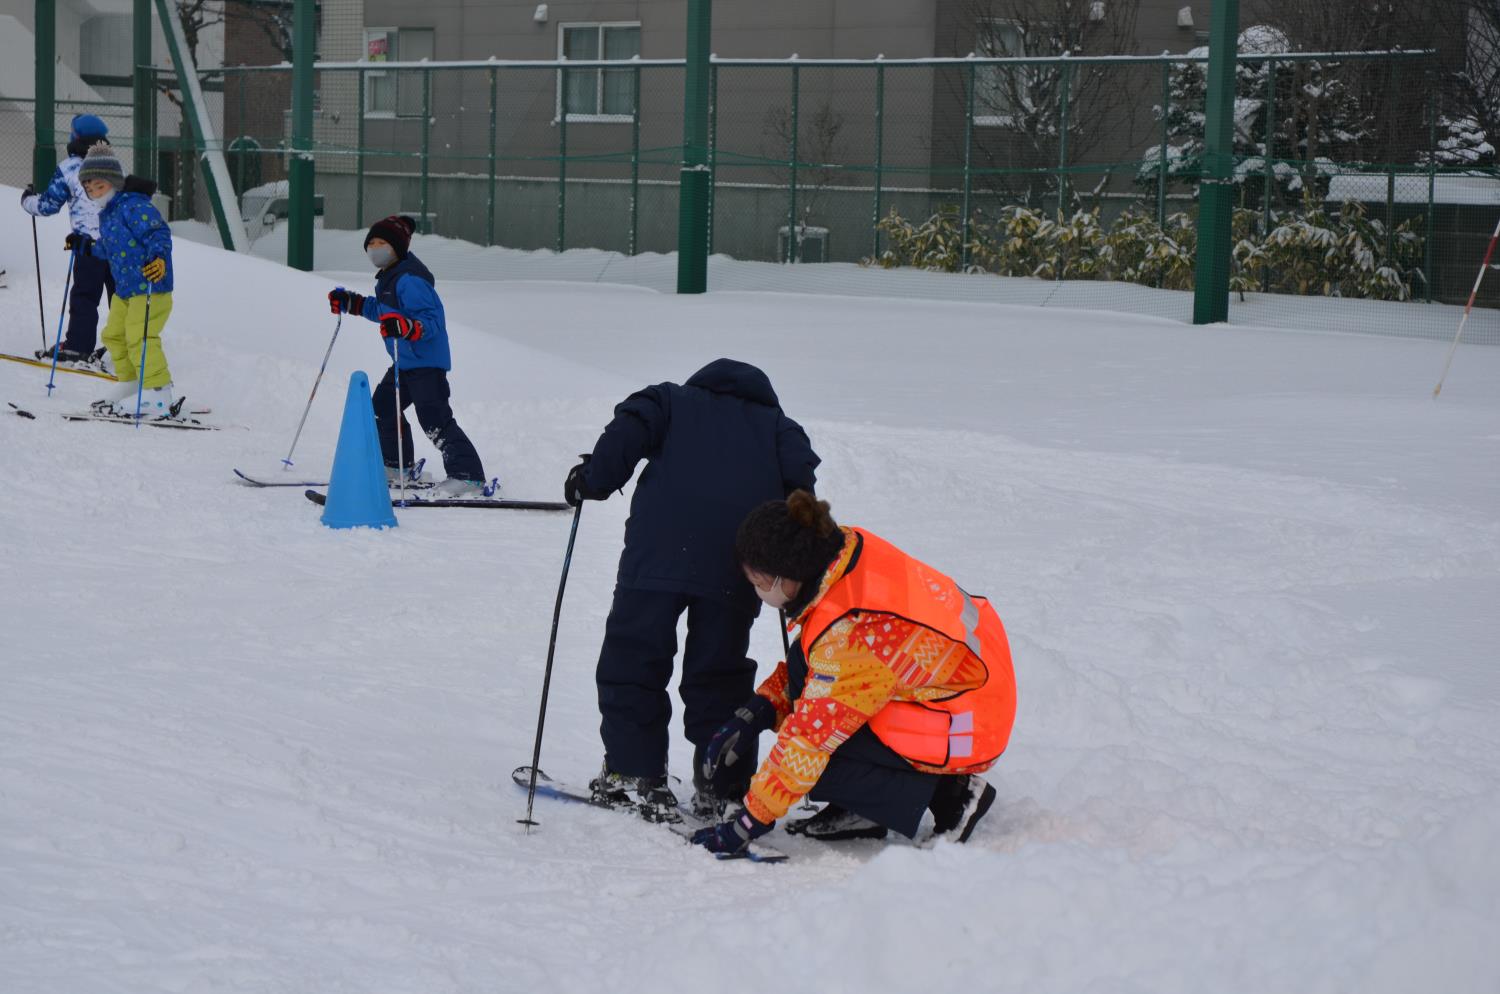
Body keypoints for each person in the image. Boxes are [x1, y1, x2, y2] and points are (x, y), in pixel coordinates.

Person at [692, 490, 1018, 855]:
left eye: (759, 582)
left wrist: (749, 822)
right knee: (809, 680)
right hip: (967, 678)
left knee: (818, 749)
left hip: (967, 722)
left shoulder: (855, 635)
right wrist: (757, 711)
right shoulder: (840, 551)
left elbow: (809, 739)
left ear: (789, 578)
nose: (756, 591)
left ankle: (953, 797)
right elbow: (814, 660)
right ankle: (867, 810)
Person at [563, 358, 820, 820]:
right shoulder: (779, 428)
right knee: (719, 673)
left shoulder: (669, 400)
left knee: (634, 656)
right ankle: (722, 787)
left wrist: (592, 480)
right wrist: (796, 573)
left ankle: (634, 771)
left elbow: (629, 427)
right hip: (739, 564)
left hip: (657, 554)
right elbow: (800, 489)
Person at [328, 215, 487, 497]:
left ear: (397, 247)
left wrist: (410, 327)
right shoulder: (390, 278)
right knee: (382, 407)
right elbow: (383, 311)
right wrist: (353, 303)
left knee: (434, 418)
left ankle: (468, 475)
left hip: (426, 363)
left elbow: (432, 320)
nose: (375, 249)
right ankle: (396, 465)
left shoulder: (410, 280)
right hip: (405, 362)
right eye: (371, 244)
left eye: (382, 243)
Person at [65, 142, 179, 418]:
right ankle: (131, 383)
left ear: (113, 182)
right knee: (114, 335)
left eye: (99, 187)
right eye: (90, 190)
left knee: (140, 336)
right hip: (126, 291)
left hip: (151, 286)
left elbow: (158, 233)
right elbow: (108, 249)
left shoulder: (133, 206)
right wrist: (84, 245)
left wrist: (159, 259)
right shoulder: (108, 215)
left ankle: (159, 392)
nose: (94, 193)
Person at [21, 114, 117, 367]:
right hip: (120, 245)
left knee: (85, 295)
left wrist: (28, 201)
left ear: (76, 137)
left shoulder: (70, 167)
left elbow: (48, 205)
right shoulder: (115, 165)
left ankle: (78, 346)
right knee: (121, 297)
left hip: (90, 246)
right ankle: (129, 346)